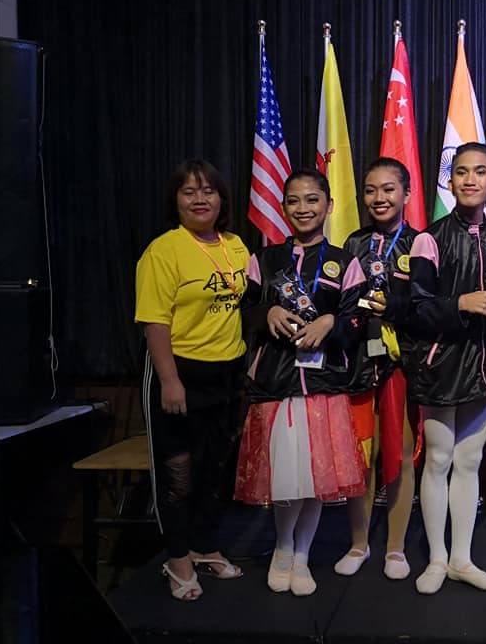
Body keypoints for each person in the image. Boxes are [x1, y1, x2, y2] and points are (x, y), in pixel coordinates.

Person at [234, 169, 368, 596]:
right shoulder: (264, 259)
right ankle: (283, 549)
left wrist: (331, 320)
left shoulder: (345, 262)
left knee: (313, 481)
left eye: (312, 200)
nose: (303, 208)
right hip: (277, 383)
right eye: (294, 200)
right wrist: (266, 314)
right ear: (283, 207)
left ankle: (304, 554)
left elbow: (359, 317)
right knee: (285, 478)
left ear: (329, 206)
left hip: (324, 384)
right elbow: (243, 314)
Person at [406, 142, 486, 595]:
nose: (469, 179)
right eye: (460, 172)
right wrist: (460, 304)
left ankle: (462, 558)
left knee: (469, 463)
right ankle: (435, 558)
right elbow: (414, 308)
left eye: (480, 172)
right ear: (449, 182)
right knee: (437, 460)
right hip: (440, 366)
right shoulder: (428, 238)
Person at [135, 158, 248, 601]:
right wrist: (169, 380)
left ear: (222, 199)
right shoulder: (163, 251)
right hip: (179, 373)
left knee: (212, 470)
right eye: (189, 192)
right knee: (177, 474)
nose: (200, 199)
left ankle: (204, 547)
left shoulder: (236, 246)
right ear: (176, 201)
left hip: (226, 375)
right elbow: (153, 323)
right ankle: (177, 556)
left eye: (208, 191)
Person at [336, 158, 421, 580]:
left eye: (389, 189)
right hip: (356, 361)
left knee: (401, 455)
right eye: (371, 190)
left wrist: (399, 309)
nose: (379, 198)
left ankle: (396, 548)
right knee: (360, 457)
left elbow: (427, 308)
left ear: (407, 194)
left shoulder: (421, 243)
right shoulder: (351, 245)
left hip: (401, 364)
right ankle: (358, 543)